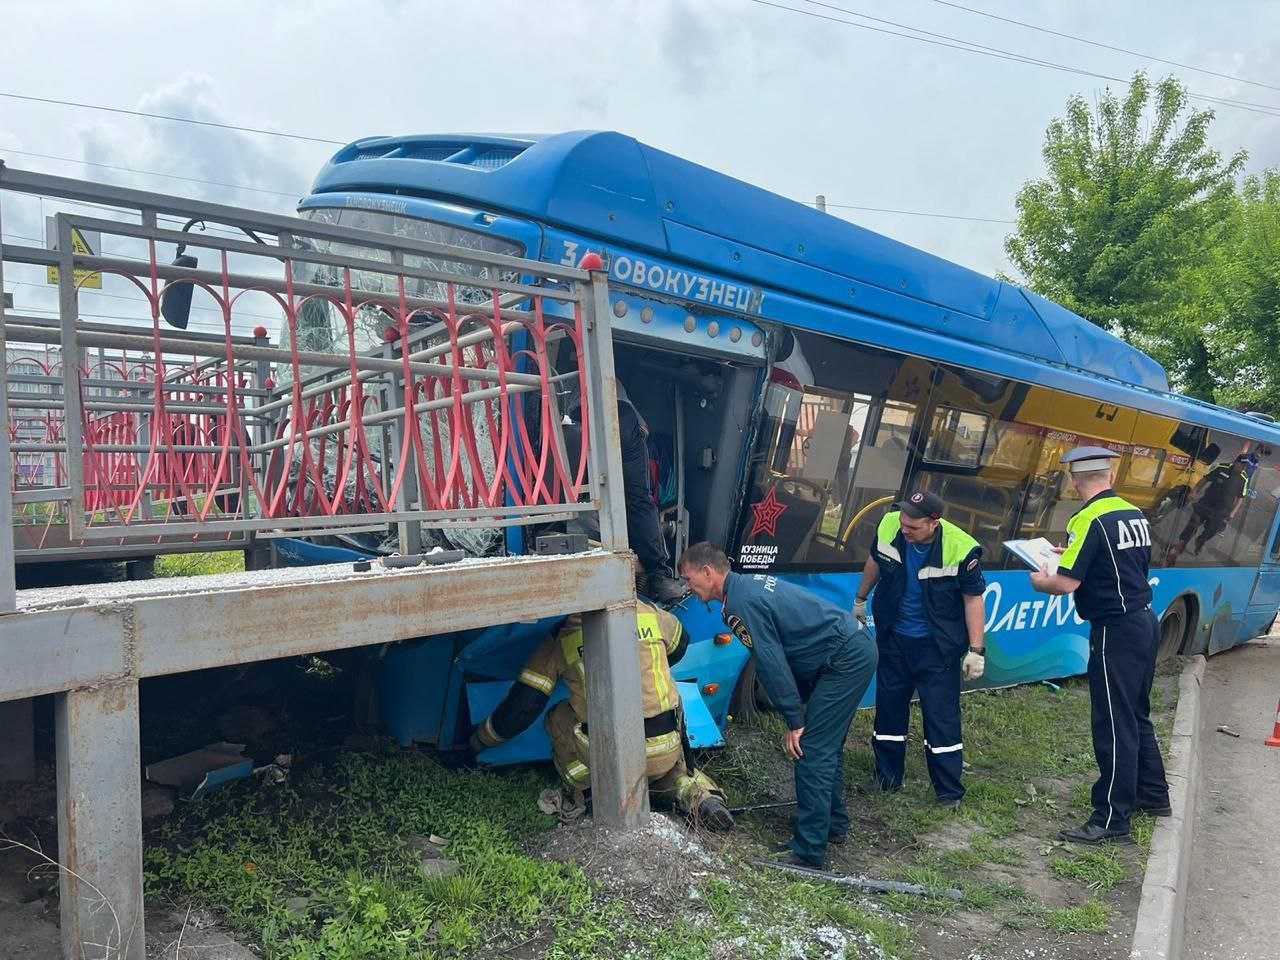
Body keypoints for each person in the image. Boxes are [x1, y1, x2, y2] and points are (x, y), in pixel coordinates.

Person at [678, 542, 878, 869]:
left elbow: (771, 662)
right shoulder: (742, 590)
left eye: (689, 579)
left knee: (811, 749)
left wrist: (795, 719)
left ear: (708, 572)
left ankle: (809, 851)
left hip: (845, 659)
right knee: (825, 746)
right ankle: (831, 826)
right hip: (846, 652)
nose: (688, 587)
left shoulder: (740, 603)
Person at [470, 599, 734, 830]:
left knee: (557, 716)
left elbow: (522, 709)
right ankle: (700, 796)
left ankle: (590, 790)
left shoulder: (562, 638)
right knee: (672, 767)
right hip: (665, 745)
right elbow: (680, 642)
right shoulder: (649, 613)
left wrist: (479, 741)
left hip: (608, 753)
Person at [1030, 446, 1170, 845]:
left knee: (1112, 722)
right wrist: (1070, 556)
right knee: (1135, 714)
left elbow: (1065, 583)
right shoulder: (1133, 513)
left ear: (1075, 480)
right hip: (1144, 621)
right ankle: (1154, 794)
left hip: (1115, 629)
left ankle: (1111, 818)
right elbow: (1124, 566)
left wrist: (1039, 580)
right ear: (1110, 477)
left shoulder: (1087, 518)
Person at [854, 489, 987, 810]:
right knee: (889, 711)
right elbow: (875, 559)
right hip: (894, 639)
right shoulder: (889, 526)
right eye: (903, 523)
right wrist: (860, 599)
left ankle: (948, 792)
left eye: (913, 527)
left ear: (934, 523)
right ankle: (887, 777)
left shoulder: (961, 548)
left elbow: (973, 598)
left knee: (941, 718)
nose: (904, 530)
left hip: (936, 647)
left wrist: (976, 649)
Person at [562, 381, 685, 603]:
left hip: (581, 418)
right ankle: (659, 577)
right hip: (622, 418)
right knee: (640, 500)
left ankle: (587, 555)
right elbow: (643, 431)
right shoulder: (615, 385)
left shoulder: (563, 382)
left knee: (578, 496)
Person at [1164, 453, 1252, 564]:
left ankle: (1201, 540)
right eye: (1242, 464)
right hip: (1206, 504)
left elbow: (1240, 497)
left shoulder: (1244, 478)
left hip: (1221, 510)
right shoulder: (1221, 467)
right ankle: (1179, 547)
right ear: (1236, 462)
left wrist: (1233, 512)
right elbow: (1205, 479)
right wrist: (1194, 491)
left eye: (1246, 465)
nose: (1243, 467)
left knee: (1212, 530)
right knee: (1192, 525)